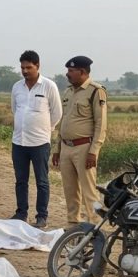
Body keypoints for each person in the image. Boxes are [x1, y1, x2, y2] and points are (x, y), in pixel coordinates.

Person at [52, 55, 107, 225]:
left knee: (89, 192)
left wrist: (93, 151)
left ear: (82, 72)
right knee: (70, 191)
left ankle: (95, 227)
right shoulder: (69, 91)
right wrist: (57, 149)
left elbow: (101, 124)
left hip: (84, 148)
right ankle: (73, 228)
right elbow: (63, 122)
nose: (68, 74)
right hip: (66, 148)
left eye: (71, 71)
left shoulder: (96, 91)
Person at [10, 50, 63, 229]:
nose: (25, 71)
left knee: (41, 180)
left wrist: (46, 129)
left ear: (38, 66)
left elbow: (57, 113)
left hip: (40, 142)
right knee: (20, 180)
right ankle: (21, 213)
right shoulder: (17, 87)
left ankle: (42, 216)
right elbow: (14, 109)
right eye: (22, 67)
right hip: (19, 141)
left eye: (29, 67)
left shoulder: (48, 86)